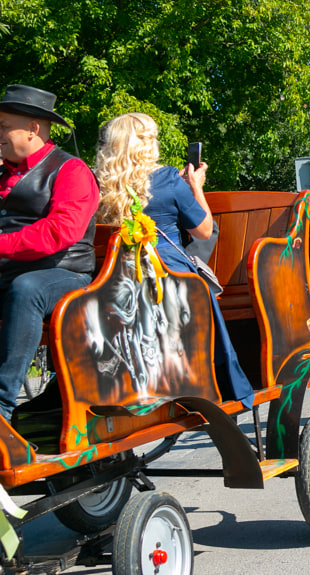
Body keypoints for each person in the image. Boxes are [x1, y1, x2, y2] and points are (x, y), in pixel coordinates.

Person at [95, 112, 254, 408]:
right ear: (148, 144)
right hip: (167, 279)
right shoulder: (168, 179)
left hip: (114, 281)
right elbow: (205, 231)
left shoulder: (98, 185)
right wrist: (196, 186)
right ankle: (219, 382)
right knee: (199, 285)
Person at [0, 85, 100, 419]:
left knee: (27, 289)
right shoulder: (4, 172)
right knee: (21, 285)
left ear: (33, 129)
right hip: (10, 271)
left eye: (3, 126)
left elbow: (60, 232)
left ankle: (2, 405)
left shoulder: (71, 170)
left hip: (65, 274)